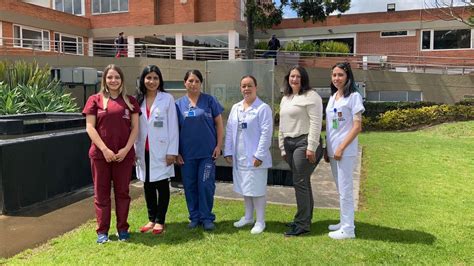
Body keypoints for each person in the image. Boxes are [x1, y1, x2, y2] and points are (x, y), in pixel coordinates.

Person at [82, 64, 140, 244]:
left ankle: (123, 229)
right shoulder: (95, 100)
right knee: (102, 194)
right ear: (104, 80)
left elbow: (135, 128)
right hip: (100, 156)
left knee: (123, 193)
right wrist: (105, 150)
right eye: (110, 77)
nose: (113, 80)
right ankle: (103, 232)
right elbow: (90, 127)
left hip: (124, 155)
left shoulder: (130, 101)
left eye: (116, 77)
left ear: (122, 80)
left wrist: (125, 149)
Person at [175, 70, 224, 231]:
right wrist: (177, 152)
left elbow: (219, 124)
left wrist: (218, 146)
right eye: (190, 80)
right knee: (189, 186)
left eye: (196, 81)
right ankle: (194, 217)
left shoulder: (210, 101)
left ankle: (206, 217)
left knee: (205, 185)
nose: (193, 84)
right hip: (187, 155)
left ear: (201, 83)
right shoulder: (178, 104)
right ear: (185, 83)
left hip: (207, 154)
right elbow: (174, 130)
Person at [224, 75, 273, 235]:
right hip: (240, 157)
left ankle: (260, 221)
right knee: (246, 188)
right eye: (243, 86)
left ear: (256, 87)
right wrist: (229, 151)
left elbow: (266, 133)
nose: (246, 89)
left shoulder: (262, 108)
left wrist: (259, 155)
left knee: (257, 189)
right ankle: (248, 217)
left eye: (249, 85)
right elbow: (230, 130)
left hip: (255, 158)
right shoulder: (236, 107)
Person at [278, 65, 323, 237]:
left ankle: (302, 224)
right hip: (289, 143)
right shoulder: (286, 97)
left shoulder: (312, 97)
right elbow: (281, 124)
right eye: (291, 76)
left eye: (297, 76)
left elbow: (316, 123)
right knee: (303, 181)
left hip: (304, 143)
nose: (294, 79)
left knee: (300, 182)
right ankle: (304, 218)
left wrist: (311, 147)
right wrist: (282, 146)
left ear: (303, 78)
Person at [134, 65, 179, 235]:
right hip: (142, 150)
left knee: (162, 184)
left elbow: (173, 127)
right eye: (148, 78)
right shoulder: (137, 100)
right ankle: (151, 218)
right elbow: (133, 127)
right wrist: (133, 150)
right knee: (147, 185)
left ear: (160, 80)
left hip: (162, 150)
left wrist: (172, 151)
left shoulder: (167, 98)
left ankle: (160, 220)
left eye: (155, 78)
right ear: (143, 80)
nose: (151, 81)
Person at [324, 62, 364, 240]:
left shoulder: (354, 97)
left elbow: (357, 127)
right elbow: (331, 126)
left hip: (344, 151)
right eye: (334, 75)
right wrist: (328, 147)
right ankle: (343, 221)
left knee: (346, 189)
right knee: (341, 189)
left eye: (340, 75)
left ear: (347, 76)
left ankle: (348, 229)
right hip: (333, 150)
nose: (336, 78)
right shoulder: (334, 97)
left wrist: (341, 147)